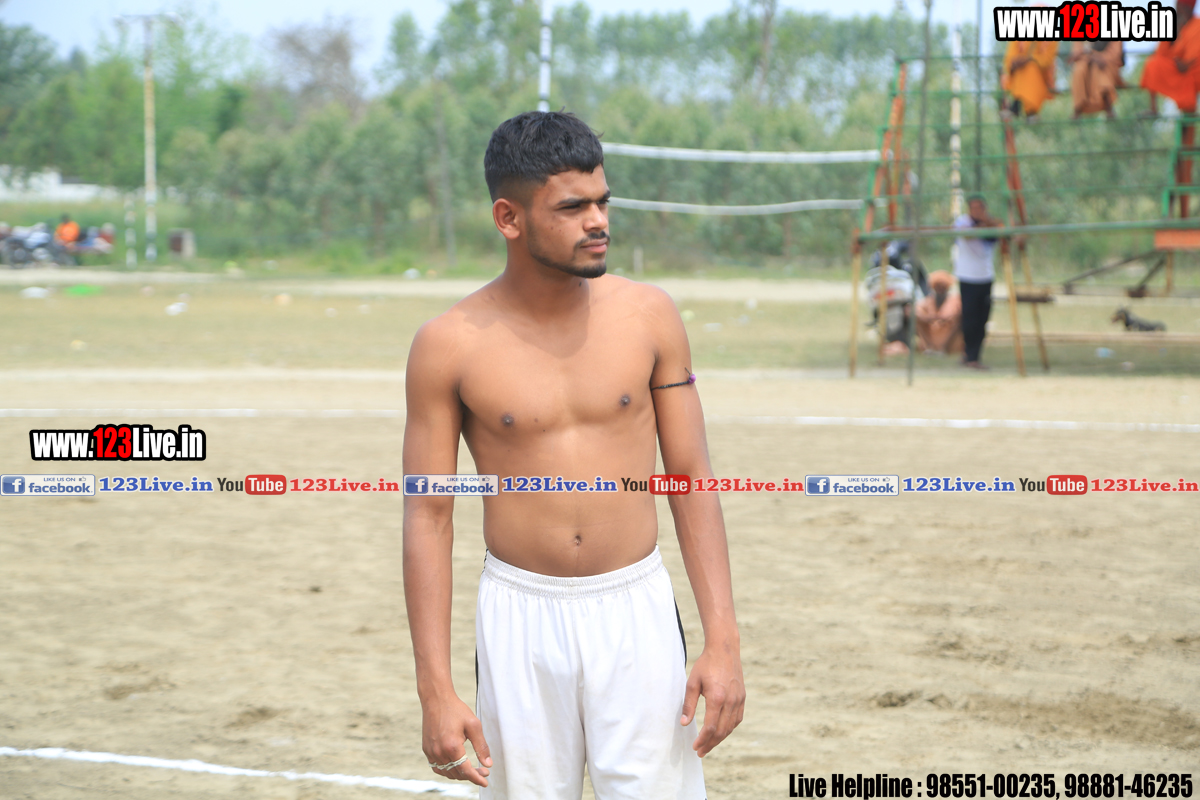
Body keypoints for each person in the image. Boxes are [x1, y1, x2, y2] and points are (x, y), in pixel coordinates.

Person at [403, 111, 744, 800]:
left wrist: (724, 642)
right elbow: (428, 515)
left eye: (602, 202)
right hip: (519, 616)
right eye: (572, 208)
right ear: (509, 217)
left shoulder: (650, 316)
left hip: (636, 610)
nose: (598, 222)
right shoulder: (448, 344)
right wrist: (435, 689)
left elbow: (690, 478)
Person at [953, 195, 1003, 369]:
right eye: (974, 208)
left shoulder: (991, 224)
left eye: (980, 208)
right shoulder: (963, 222)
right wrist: (984, 224)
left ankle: (974, 355)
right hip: (967, 277)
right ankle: (969, 354)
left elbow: (997, 235)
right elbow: (968, 235)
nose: (977, 211)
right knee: (969, 318)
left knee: (982, 319)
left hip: (985, 276)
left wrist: (989, 223)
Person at [1141, 0, 1200, 115]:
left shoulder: (1197, 25)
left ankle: (1189, 115)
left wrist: (1186, 64)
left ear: (1189, 9)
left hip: (1194, 70)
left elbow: (1194, 56)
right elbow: (1160, 53)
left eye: (1181, 7)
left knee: (1190, 85)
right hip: (1176, 68)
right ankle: (1153, 108)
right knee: (1152, 64)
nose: (1178, 10)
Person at [1002, 38, 1059, 120]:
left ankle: (1025, 107)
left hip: (1041, 79)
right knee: (1022, 67)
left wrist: (1030, 59)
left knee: (1030, 67)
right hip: (1018, 77)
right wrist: (1015, 62)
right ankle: (1025, 108)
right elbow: (1009, 60)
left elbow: (1047, 61)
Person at [1070, 41, 1125, 118]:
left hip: (1107, 65)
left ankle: (1108, 105)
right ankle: (1078, 106)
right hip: (1086, 62)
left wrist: (1098, 57)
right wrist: (1090, 56)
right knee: (1079, 69)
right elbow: (1077, 52)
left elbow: (1114, 54)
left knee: (1099, 69)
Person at [915, 270, 963, 355]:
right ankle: (929, 348)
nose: (940, 290)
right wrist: (927, 318)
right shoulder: (928, 301)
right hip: (931, 336)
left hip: (949, 337)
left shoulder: (955, 300)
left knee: (960, 319)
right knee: (916, 317)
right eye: (937, 287)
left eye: (943, 288)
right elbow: (915, 310)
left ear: (947, 288)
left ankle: (943, 348)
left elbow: (959, 312)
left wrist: (947, 318)